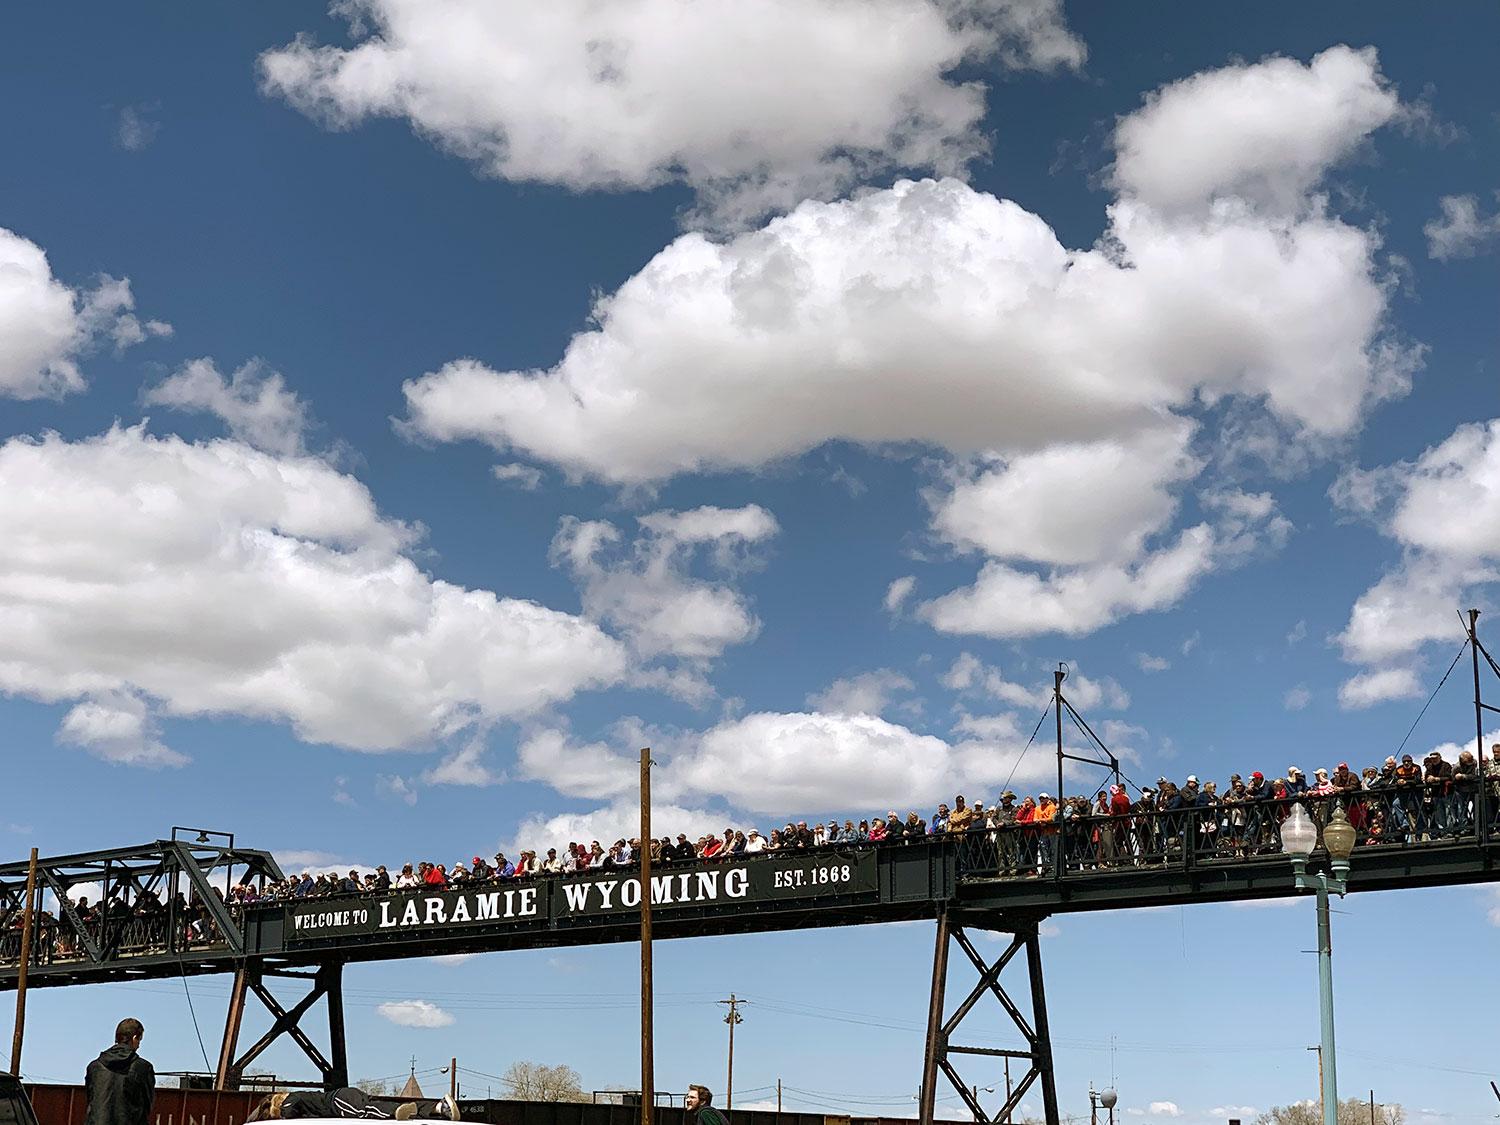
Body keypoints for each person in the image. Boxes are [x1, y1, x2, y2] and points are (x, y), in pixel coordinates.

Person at [84, 1018, 155, 1125]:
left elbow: (92, 1102)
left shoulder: (94, 1067)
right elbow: (147, 1106)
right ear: (135, 1038)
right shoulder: (143, 1068)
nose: (139, 1045)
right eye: (139, 1040)